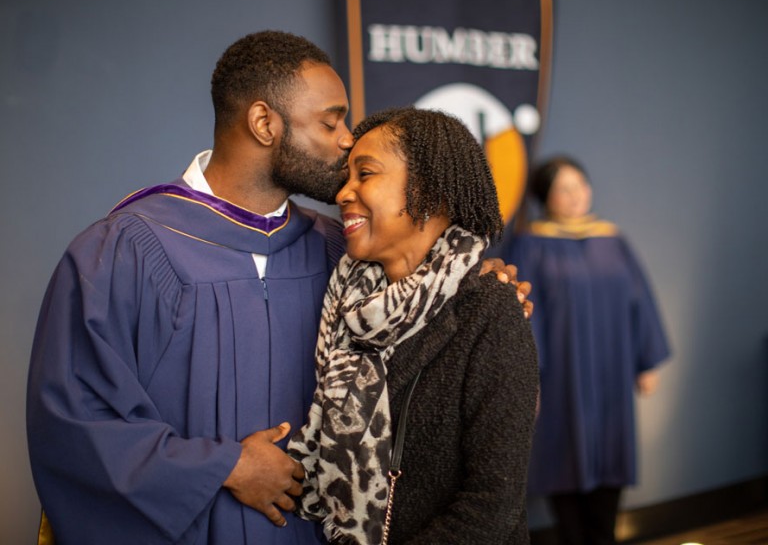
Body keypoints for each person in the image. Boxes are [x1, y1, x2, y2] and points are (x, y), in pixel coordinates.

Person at [26, 31, 531, 545]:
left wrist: (476, 284)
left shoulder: (340, 250)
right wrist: (222, 466)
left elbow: (434, 326)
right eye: (331, 121)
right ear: (264, 123)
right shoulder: (124, 250)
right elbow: (74, 423)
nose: (347, 139)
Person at [287, 107, 540, 545]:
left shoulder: (488, 308)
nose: (343, 193)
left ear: (429, 189)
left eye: (365, 174)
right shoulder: (346, 303)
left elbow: (493, 507)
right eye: (346, 178)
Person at [497, 155, 671, 545]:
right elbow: (522, 314)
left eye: (580, 185)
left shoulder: (612, 239)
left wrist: (646, 361)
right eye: (564, 188)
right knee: (564, 458)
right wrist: (528, 378)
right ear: (546, 197)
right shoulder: (531, 244)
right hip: (561, 376)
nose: (576, 195)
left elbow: (639, 299)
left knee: (610, 457)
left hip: (612, 373)